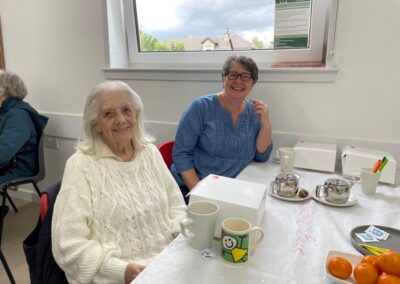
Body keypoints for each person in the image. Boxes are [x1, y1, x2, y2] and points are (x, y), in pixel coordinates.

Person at [51, 81, 186, 284]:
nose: (121, 119)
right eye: (108, 114)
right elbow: (67, 246)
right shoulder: (81, 166)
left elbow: (177, 207)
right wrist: (122, 271)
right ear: (95, 123)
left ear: (136, 115)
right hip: (117, 277)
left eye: (126, 110)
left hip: (166, 265)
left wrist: (177, 239)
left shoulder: (149, 153)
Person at [171, 55, 273, 203]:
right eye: (232, 75)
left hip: (233, 189)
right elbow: (181, 154)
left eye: (245, 76)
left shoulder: (255, 111)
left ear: (253, 83)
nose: (238, 81)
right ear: (223, 78)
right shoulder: (200, 107)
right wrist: (200, 193)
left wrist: (265, 123)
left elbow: (261, 156)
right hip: (194, 187)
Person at [0, 70, 48, 185]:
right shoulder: (6, 111)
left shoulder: (18, 116)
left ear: (2, 92)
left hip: (17, 169)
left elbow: (3, 153)